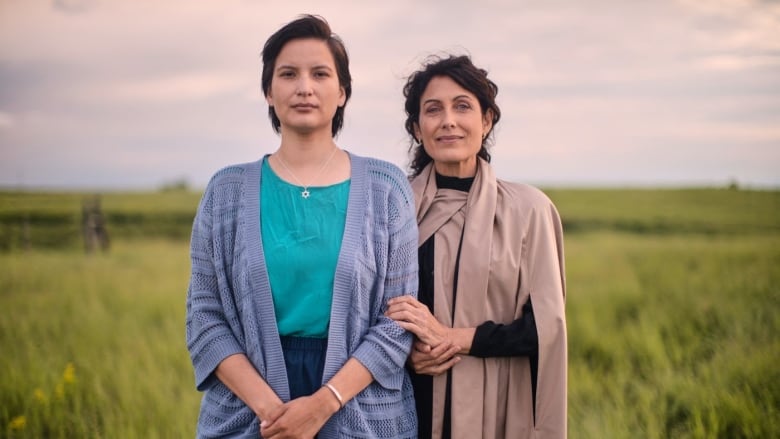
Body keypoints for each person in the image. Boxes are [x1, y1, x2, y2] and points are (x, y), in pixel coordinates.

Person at [185, 15, 418, 438]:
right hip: (248, 411)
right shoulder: (225, 192)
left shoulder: (386, 189)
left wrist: (322, 404)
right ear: (268, 92)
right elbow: (205, 316)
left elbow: (397, 320)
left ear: (342, 92)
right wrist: (273, 412)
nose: (304, 87)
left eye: (320, 74)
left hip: (358, 408)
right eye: (288, 74)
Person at [386, 54, 567, 438]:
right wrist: (406, 356)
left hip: (498, 408)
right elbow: (365, 315)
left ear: (486, 121)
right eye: (433, 110)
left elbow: (542, 330)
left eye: (462, 106)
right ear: (418, 129)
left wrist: (453, 338)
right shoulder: (390, 209)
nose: (448, 120)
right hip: (407, 408)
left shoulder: (528, 211)